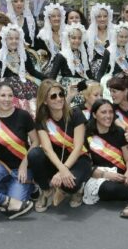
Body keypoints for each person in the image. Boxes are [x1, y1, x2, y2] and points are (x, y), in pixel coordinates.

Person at [0, 80, 38, 218]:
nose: (7, 99)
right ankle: (6, 193)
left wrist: (24, 163)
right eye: (3, 95)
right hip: (2, 165)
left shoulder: (23, 115)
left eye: (10, 95)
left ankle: (26, 186)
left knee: (17, 204)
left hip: (23, 166)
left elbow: (35, 141)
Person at [28, 80, 94, 210]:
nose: (59, 98)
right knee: (35, 154)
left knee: (71, 183)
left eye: (61, 94)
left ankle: (77, 189)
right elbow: (47, 149)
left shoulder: (75, 114)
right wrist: (61, 169)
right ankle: (46, 191)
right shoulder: (42, 119)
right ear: (45, 101)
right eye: (53, 96)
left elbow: (77, 148)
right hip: (57, 160)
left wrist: (63, 170)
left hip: (78, 159)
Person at [0, 24, 43, 111]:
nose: (14, 41)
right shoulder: (1, 55)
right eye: (10, 39)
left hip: (25, 85)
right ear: (5, 40)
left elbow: (32, 71)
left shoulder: (23, 53)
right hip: (8, 87)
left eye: (17, 38)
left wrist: (46, 78)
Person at [85, 2, 115, 79]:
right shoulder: (88, 34)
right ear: (95, 18)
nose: (102, 19)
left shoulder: (115, 31)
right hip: (95, 69)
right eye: (99, 16)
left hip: (113, 66)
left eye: (105, 16)